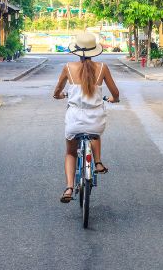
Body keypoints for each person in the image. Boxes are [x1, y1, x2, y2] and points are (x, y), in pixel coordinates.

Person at [52, 32, 119, 203]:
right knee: (94, 134)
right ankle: (97, 162)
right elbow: (115, 93)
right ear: (94, 51)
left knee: (70, 152)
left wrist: (59, 95)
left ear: (76, 51)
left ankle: (69, 187)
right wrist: (114, 99)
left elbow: (57, 91)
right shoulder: (102, 68)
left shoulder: (68, 67)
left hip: (74, 120)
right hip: (96, 119)